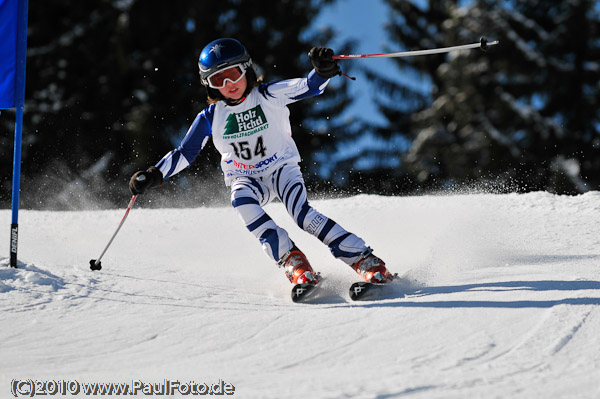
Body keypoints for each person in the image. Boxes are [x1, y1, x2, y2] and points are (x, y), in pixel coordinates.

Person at [129, 38, 393, 286]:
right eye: (219, 79)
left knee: (301, 215)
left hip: (280, 169)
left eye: (233, 74)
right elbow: (185, 153)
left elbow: (308, 87)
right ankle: (294, 263)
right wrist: (154, 175)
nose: (229, 84)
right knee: (240, 200)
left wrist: (321, 71)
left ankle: (364, 259)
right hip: (247, 177)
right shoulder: (212, 115)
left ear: (247, 69)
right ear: (209, 84)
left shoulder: (267, 95)